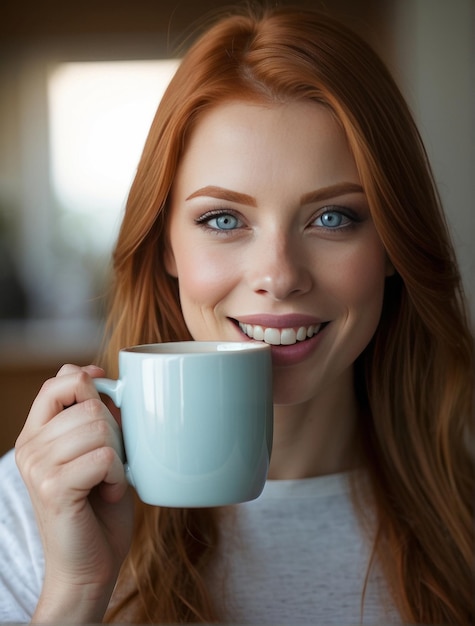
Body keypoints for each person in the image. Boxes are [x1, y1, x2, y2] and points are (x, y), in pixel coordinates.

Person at [1, 5, 473, 624]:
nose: (278, 276)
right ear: (165, 246)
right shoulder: (31, 506)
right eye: (223, 219)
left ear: (392, 245)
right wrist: (76, 591)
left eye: (333, 217)